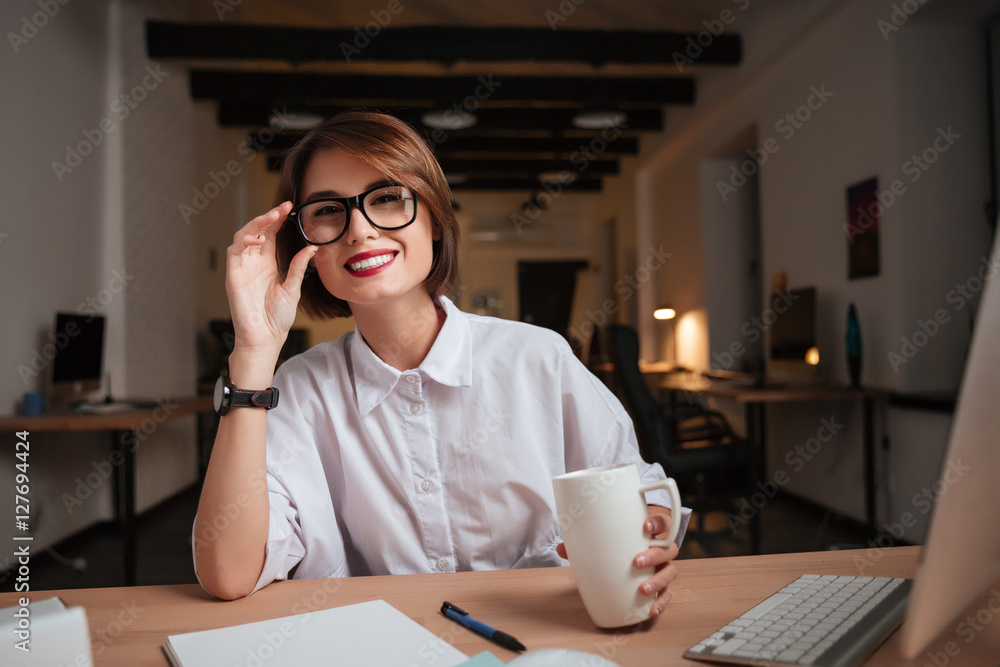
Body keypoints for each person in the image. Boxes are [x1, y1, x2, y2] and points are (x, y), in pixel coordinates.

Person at [192, 111, 689, 617]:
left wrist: (648, 527)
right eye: (327, 211)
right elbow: (229, 575)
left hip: (544, 638)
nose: (359, 230)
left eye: (387, 199)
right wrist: (252, 354)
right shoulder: (299, 389)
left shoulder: (537, 358)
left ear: (434, 220)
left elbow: (638, 487)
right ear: (307, 248)